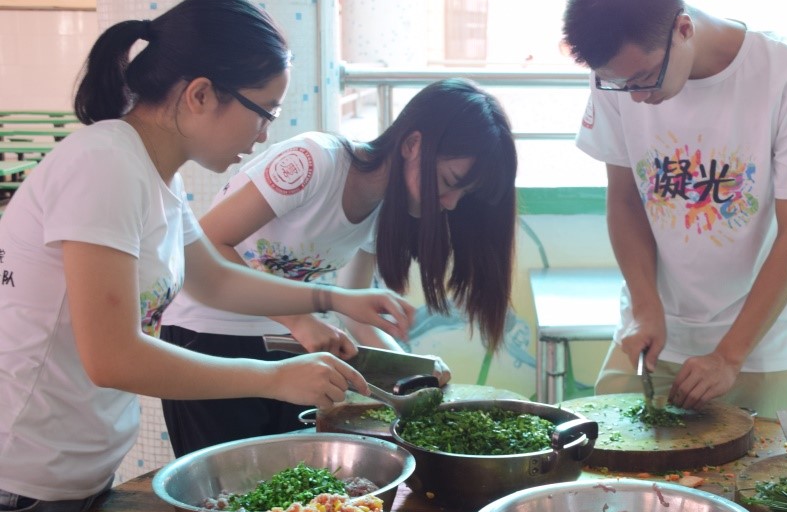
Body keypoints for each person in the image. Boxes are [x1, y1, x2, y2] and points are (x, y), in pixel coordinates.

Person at [0, 0, 416, 512]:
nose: (264, 135)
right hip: (21, 479)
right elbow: (111, 357)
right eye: (263, 111)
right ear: (200, 94)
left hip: (74, 473)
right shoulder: (104, 165)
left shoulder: (155, 177)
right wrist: (273, 378)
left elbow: (215, 280)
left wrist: (333, 299)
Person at [159, 78, 518, 456]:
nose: (450, 204)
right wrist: (299, 320)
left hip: (286, 348)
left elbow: (354, 314)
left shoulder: (383, 209)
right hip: (208, 339)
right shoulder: (313, 161)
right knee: (228, 484)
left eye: (463, 194)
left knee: (287, 485)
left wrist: (412, 370)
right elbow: (206, 245)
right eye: (449, 183)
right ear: (413, 144)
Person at [565, 0, 787, 417]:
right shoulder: (620, 74)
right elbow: (624, 198)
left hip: (754, 346)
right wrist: (645, 306)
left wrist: (729, 356)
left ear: (683, 29)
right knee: (606, 450)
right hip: (652, 333)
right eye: (619, 84)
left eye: (643, 79)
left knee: (751, 462)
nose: (635, 97)